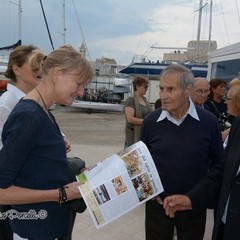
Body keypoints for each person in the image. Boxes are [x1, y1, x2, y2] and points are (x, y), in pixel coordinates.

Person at [0, 45, 93, 239]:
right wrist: (61, 194)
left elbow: (37, 170)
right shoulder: (29, 117)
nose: (81, 92)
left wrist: (84, 174)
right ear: (57, 74)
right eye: (78, 83)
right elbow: (2, 192)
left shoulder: (44, 112)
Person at [140, 64, 223, 240]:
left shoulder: (209, 122)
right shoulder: (150, 122)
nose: (163, 95)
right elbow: (139, 164)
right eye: (161, 89)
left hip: (193, 210)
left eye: (170, 89)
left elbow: (219, 168)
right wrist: (150, 193)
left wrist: (193, 199)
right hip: (158, 208)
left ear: (188, 90)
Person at [163, 114, 240, 240]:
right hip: (226, 225)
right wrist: (192, 199)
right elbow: (222, 170)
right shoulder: (238, 122)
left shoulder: (208, 121)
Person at [124, 76, 152, 147]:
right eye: (145, 87)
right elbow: (130, 119)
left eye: (147, 87)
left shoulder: (145, 100)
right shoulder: (131, 100)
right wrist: (146, 121)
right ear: (137, 87)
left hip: (144, 135)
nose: (147, 89)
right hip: (133, 136)